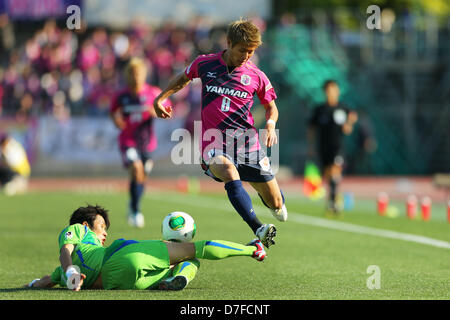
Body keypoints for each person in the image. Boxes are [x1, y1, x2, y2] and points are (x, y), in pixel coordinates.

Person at [153, 19, 288, 248]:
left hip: (247, 144)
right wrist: (160, 98)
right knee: (227, 169)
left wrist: (271, 124)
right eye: (242, 50)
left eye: (251, 51)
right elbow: (183, 78)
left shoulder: (256, 75)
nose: (247, 56)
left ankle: (265, 193)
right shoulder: (205, 64)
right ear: (229, 43)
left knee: (276, 203)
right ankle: (258, 228)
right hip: (213, 143)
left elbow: (271, 105)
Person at [24, 204, 267, 291]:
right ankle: (252, 249)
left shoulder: (68, 275)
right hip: (125, 257)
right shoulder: (80, 230)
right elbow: (64, 251)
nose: (105, 233)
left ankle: (178, 278)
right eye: (101, 226)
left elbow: (46, 280)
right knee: (195, 250)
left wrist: (32, 285)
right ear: (86, 224)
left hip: (121, 283)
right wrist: (71, 271)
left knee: (188, 263)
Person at [110, 58, 171, 228]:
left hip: (147, 143)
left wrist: (157, 111)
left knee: (141, 176)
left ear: (144, 74)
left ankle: (132, 204)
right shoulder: (121, 96)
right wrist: (116, 121)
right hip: (127, 141)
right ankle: (136, 211)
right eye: (132, 73)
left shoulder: (153, 93)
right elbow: (113, 112)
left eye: (138, 73)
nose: (135, 77)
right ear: (128, 75)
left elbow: (167, 109)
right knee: (136, 169)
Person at [307, 80, 358, 214]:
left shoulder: (342, 108)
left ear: (337, 91)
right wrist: (311, 145)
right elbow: (311, 128)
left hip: (338, 146)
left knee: (335, 169)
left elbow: (353, 115)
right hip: (323, 146)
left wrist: (348, 124)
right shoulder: (320, 109)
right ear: (325, 92)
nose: (331, 93)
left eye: (333, 90)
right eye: (328, 91)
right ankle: (332, 198)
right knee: (328, 173)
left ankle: (334, 201)